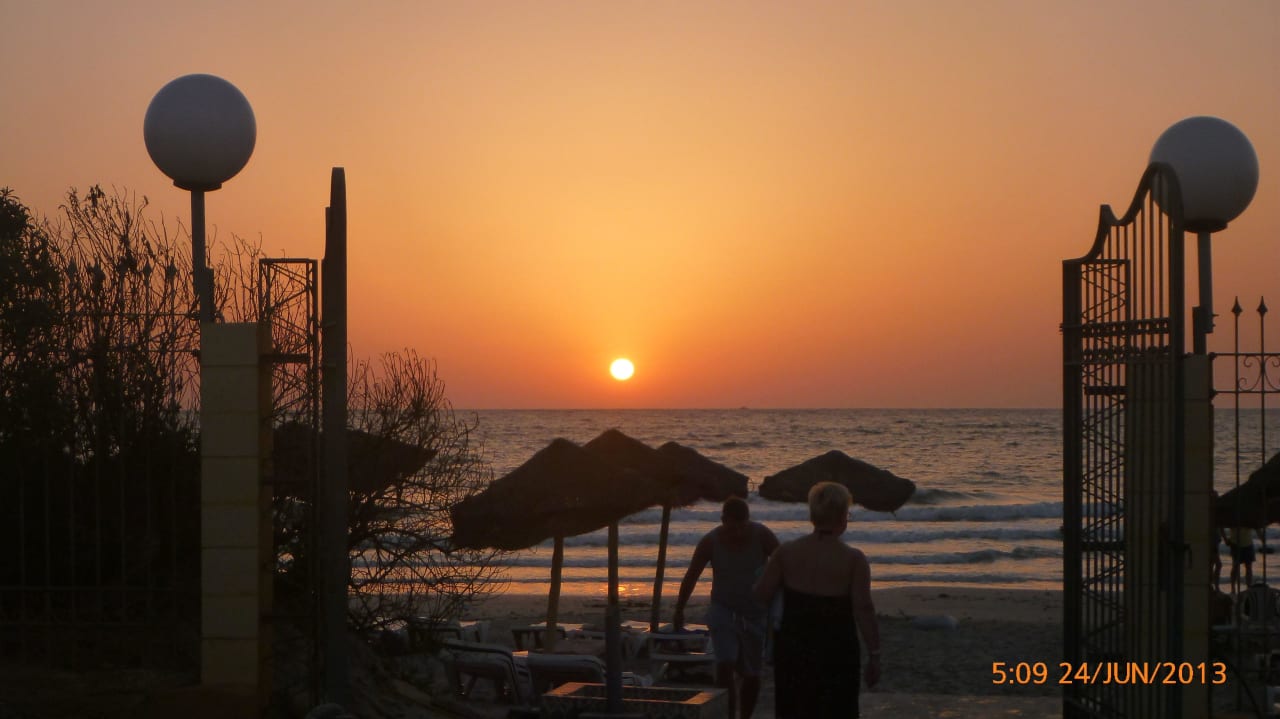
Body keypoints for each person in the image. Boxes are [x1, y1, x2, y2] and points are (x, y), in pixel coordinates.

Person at [754, 481, 881, 719]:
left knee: (794, 709)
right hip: (836, 648)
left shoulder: (786, 552)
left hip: (793, 646)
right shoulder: (853, 559)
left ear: (813, 515)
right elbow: (864, 608)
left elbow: (761, 595)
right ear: (842, 517)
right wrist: (874, 654)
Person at [673, 496, 779, 719]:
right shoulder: (710, 542)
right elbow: (692, 575)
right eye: (733, 527)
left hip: (755, 612)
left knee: (752, 673)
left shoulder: (762, 535)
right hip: (723, 608)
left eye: (743, 527)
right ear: (723, 520)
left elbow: (783, 565)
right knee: (724, 665)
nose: (738, 533)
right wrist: (679, 609)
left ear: (748, 521)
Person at [1225, 525, 1257, 592]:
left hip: (1248, 543)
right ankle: (1233, 588)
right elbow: (1221, 524)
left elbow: (1256, 525)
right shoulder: (1232, 518)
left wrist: (1261, 536)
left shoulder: (1249, 518)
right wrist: (1225, 539)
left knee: (1248, 567)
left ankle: (1249, 587)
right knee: (1236, 566)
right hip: (1235, 543)